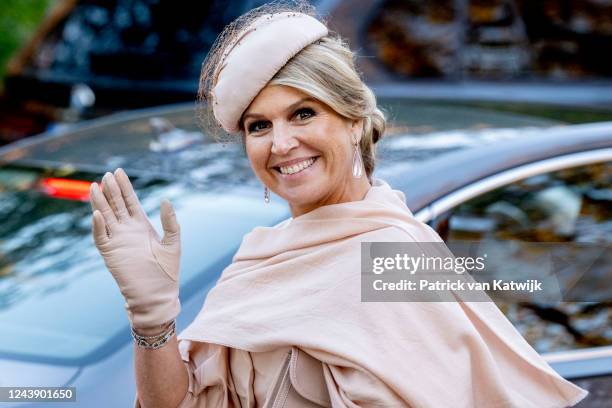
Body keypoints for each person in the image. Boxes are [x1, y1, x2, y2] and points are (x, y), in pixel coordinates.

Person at [89, 1, 589, 407]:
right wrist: (152, 319)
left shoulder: (395, 256)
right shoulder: (260, 257)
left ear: (353, 119)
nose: (280, 143)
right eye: (258, 126)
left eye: (302, 113)